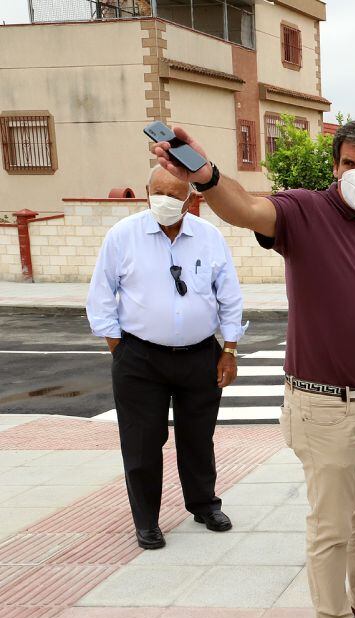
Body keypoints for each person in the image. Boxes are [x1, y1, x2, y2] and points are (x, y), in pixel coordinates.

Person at [150, 120, 355, 618]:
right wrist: (206, 174)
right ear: (335, 167)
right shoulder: (306, 212)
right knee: (332, 525)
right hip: (325, 403)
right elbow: (246, 209)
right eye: (348, 163)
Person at [87, 165, 243, 550]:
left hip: (200, 356)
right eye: (158, 192)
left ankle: (204, 505)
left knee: (198, 438)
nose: (165, 201)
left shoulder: (208, 237)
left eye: (174, 195)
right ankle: (147, 521)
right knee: (141, 443)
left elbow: (230, 295)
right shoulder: (122, 236)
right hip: (140, 358)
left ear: (191, 198)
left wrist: (229, 349)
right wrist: (118, 350)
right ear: (145, 192)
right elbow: (101, 295)